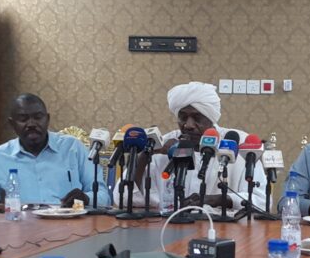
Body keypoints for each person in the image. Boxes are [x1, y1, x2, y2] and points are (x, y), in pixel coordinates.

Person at [114, 81, 266, 212]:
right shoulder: (164, 143)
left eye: (197, 118)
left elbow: (262, 201)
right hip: (168, 229)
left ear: (211, 118)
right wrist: (147, 154)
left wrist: (217, 199)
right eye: (183, 117)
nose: (188, 125)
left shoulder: (237, 142)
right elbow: (123, 198)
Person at [0, 93, 108, 207]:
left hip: (69, 225)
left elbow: (103, 196)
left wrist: (86, 198)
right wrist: (0, 212)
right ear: (12, 124)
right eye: (23, 119)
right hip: (19, 226)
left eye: (38, 117)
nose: (31, 124)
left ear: (47, 119)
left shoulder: (73, 148)